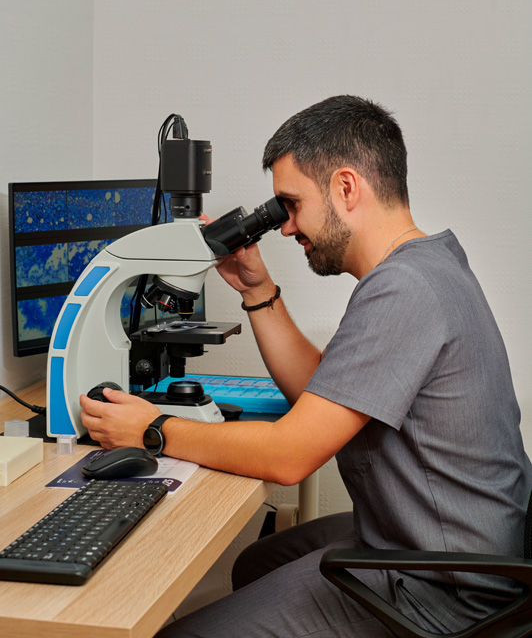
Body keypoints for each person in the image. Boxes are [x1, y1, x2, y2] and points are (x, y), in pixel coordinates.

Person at [80, 94, 531, 637]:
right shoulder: (428, 266)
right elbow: (324, 394)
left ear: (346, 186)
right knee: (255, 563)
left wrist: (151, 429)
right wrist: (257, 289)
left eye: (290, 204)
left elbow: (290, 456)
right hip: (452, 547)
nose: (286, 228)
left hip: (447, 590)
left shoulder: (403, 291)